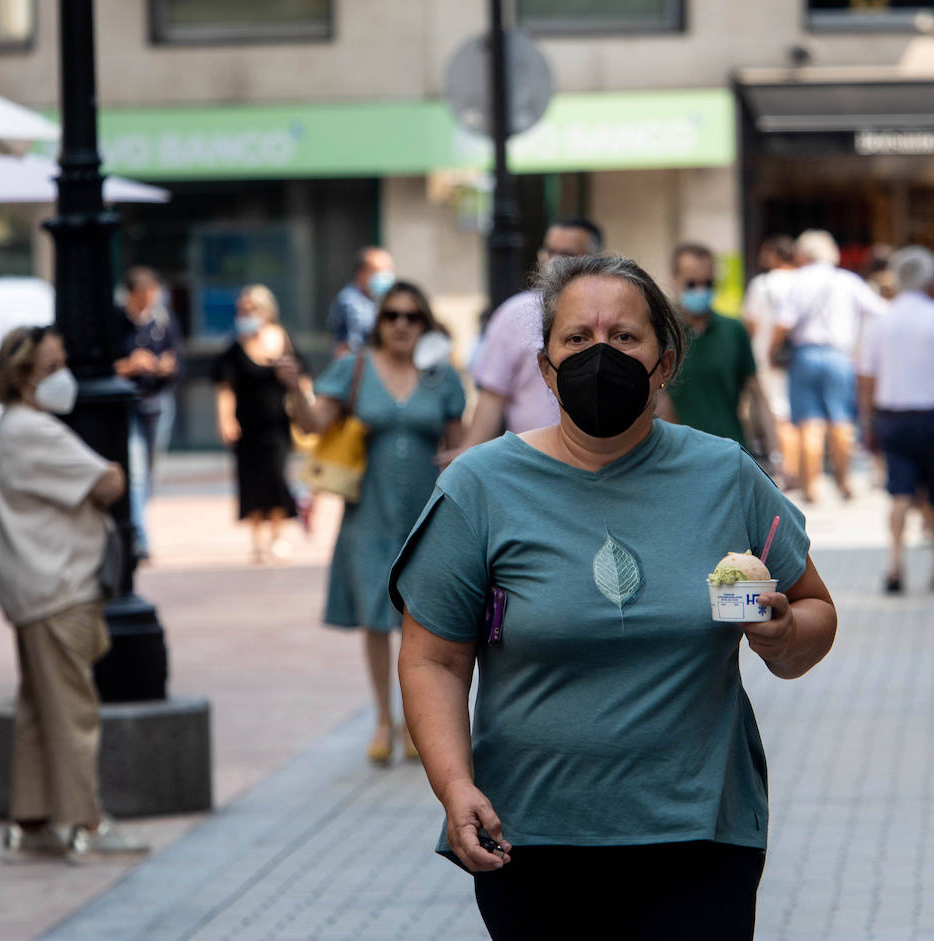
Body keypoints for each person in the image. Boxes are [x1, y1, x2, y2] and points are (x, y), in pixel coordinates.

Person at [392, 254, 836, 939]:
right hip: (530, 837)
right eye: (577, 339)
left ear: (664, 361)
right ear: (545, 367)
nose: (600, 354)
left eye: (624, 337)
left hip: (699, 834)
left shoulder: (725, 475)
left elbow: (816, 612)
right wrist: (454, 786)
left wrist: (783, 634)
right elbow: (433, 660)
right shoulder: (479, 488)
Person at [282, 282, 466, 764]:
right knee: (375, 621)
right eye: (392, 316)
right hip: (368, 515)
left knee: (418, 621)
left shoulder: (440, 375)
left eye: (412, 316)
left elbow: (461, 443)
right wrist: (293, 390)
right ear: (379, 323)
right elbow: (312, 425)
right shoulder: (355, 367)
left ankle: (412, 722)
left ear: (424, 324)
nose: (401, 324)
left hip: (426, 518)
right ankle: (384, 720)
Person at [0, 326, 148, 861]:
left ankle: (31, 821)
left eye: (63, 362)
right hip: (58, 591)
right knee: (74, 711)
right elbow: (107, 483)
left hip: (34, 593)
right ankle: (88, 822)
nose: (63, 377)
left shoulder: (13, 429)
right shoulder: (34, 430)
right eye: (50, 368)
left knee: (39, 710)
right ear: (21, 379)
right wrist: (112, 472)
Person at [858, 245, 934, 594]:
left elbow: (866, 378)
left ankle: (895, 564)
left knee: (899, 492)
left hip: (893, 418)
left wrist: (867, 423)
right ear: (931, 279)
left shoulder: (880, 319)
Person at [459, 218, 604, 449]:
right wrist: (467, 462)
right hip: (531, 459)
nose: (552, 260)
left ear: (595, 260)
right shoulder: (515, 314)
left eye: (566, 254)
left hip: (600, 456)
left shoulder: (611, 312)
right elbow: (492, 398)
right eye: (549, 251)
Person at [771, 229, 888, 502]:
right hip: (839, 356)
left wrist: (770, 351)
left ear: (803, 255)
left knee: (810, 423)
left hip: (805, 355)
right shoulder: (848, 281)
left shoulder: (797, 281)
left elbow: (784, 322)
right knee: (841, 420)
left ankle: (811, 487)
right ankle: (845, 482)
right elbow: (880, 311)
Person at [213, 285, 308, 564]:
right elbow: (225, 387)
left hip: (278, 424)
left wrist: (306, 407)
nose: (246, 315)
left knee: (278, 478)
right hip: (247, 427)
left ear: (266, 311)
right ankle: (256, 541)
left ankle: (278, 536)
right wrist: (225, 419)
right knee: (251, 482)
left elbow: (302, 376)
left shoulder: (283, 340)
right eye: (242, 310)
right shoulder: (234, 347)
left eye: (251, 310)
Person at [663, 243, 780, 463]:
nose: (700, 290)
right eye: (691, 283)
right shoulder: (660, 332)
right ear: (674, 280)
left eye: (708, 283)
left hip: (730, 453)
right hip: (677, 458)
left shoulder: (733, 330)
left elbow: (757, 393)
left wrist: (775, 454)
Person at [112, 267, 182, 562]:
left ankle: (138, 522)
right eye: (142, 298)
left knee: (150, 471)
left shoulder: (163, 320)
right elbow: (102, 367)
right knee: (137, 471)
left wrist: (168, 365)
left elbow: (179, 359)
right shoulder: (116, 322)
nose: (147, 303)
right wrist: (129, 365)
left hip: (157, 402)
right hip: (129, 404)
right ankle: (140, 537)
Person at [740, 234, 800, 482]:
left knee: (777, 414)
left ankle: (787, 468)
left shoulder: (762, 284)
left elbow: (750, 324)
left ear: (776, 254)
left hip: (768, 357)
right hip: (799, 357)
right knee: (801, 415)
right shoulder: (802, 281)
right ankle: (802, 469)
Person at [327, 246, 396, 356]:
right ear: (361, 273)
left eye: (389, 270)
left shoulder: (384, 299)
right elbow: (346, 350)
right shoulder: (349, 303)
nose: (385, 276)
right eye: (378, 271)